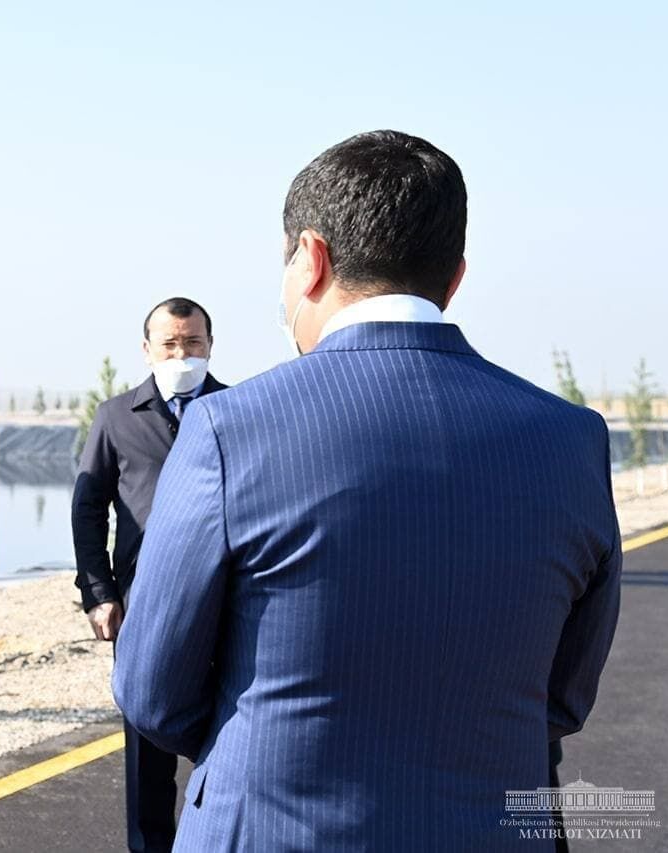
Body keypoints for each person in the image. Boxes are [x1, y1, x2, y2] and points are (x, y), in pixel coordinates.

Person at [113, 131, 621, 851]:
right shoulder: (571, 437)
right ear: (455, 276)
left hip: (272, 828)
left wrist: (270, 743)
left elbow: (152, 689)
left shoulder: (229, 428)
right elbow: (563, 696)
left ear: (311, 258)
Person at [71, 297, 226, 852]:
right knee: (147, 742)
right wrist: (98, 593)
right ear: (147, 350)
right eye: (170, 344)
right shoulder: (116, 417)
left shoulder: (236, 409)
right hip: (143, 604)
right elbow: (88, 509)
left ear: (210, 346)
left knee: (227, 738)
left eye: (193, 343)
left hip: (227, 601)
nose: (182, 355)